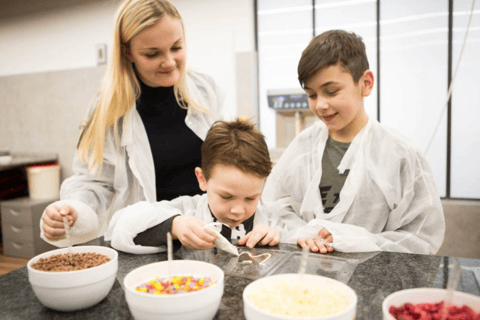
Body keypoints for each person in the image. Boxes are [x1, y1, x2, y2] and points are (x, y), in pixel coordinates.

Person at [40, 0, 230, 247]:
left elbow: (228, 159)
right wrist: (71, 210)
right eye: (153, 53)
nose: (170, 62)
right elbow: (93, 182)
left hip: (207, 233)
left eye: (177, 47)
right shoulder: (107, 109)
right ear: (127, 52)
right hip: (149, 238)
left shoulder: (205, 89)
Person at [262, 30, 445, 255]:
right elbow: (274, 206)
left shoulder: (400, 154)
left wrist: (354, 240)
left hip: (372, 276)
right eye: (311, 95)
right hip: (305, 272)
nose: (320, 105)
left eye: (331, 91)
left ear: (365, 83)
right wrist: (302, 233)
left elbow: (420, 236)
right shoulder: (303, 147)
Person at [105, 119, 282, 254]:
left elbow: (298, 241)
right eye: (226, 197)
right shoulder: (186, 211)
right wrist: (173, 226)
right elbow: (120, 228)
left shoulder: (270, 219)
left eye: (251, 198)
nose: (238, 210)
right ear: (202, 179)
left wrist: (274, 237)